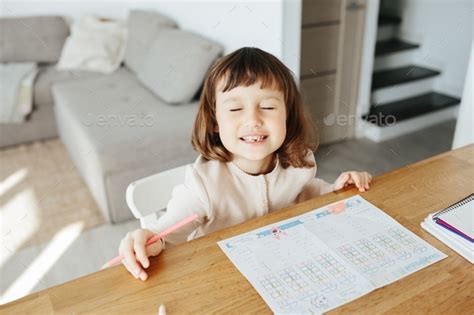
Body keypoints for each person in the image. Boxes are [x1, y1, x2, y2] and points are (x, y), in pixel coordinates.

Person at [119, 47, 372, 281]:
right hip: (220, 277)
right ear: (215, 121)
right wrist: (146, 239)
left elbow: (305, 192)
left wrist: (334, 190)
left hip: (280, 268)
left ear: (288, 114)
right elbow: (166, 234)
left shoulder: (299, 162)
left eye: (268, 106)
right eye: (235, 108)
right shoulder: (203, 186)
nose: (253, 119)